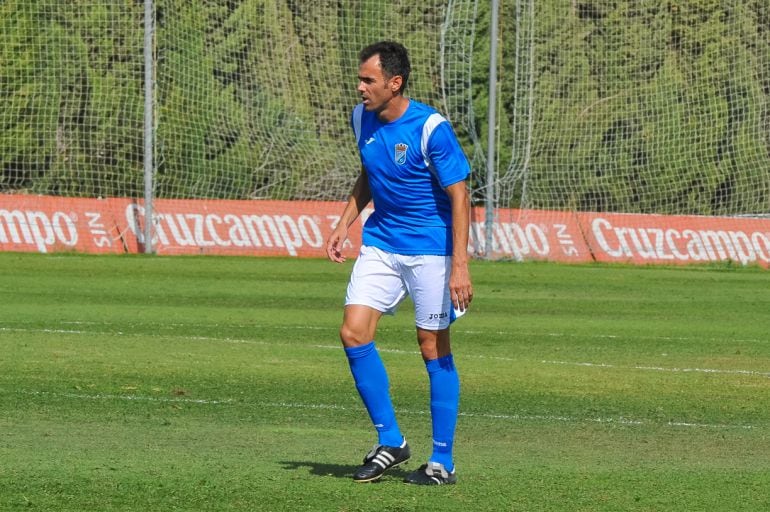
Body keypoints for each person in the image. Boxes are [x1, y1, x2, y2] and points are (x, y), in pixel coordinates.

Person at [325, 41, 473, 486]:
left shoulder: (431, 127)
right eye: (360, 78)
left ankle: (442, 461)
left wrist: (460, 265)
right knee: (352, 331)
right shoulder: (360, 119)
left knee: (432, 346)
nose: (360, 87)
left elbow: (460, 195)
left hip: (431, 248)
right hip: (382, 242)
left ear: (395, 82)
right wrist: (344, 223)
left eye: (368, 80)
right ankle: (391, 440)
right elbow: (370, 172)